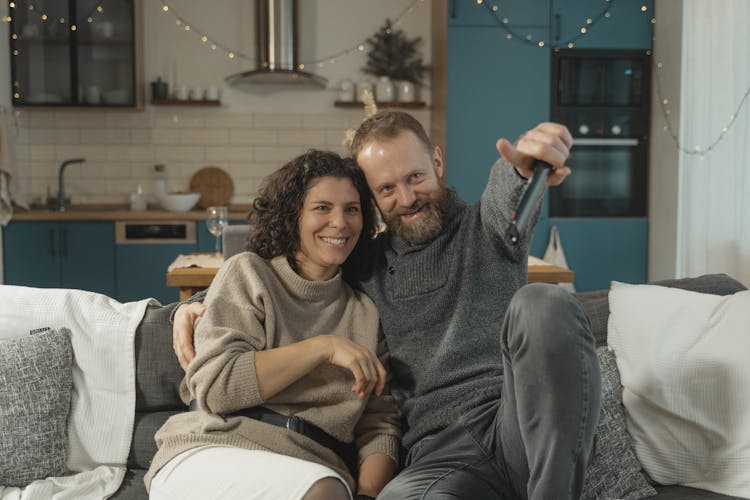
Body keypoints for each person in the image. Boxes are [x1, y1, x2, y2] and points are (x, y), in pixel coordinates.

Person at [173, 111, 601, 499]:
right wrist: (197, 304)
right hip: (437, 456)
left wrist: (525, 168)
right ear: (373, 199)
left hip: (514, 427)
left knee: (543, 303)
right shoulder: (367, 263)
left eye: (415, 177)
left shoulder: (487, 228)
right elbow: (297, 275)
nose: (407, 197)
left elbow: (508, 188)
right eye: (386, 189)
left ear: (437, 161)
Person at [147, 150, 400, 500]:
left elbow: (379, 426)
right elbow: (218, 387)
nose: (340, 223)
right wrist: (322, 348)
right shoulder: (249, 274)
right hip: (210, 450)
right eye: (322, 208)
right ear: (293, 215)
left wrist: (368, 496)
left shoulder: (366, 314)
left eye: (352, 209)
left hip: (311, 469)